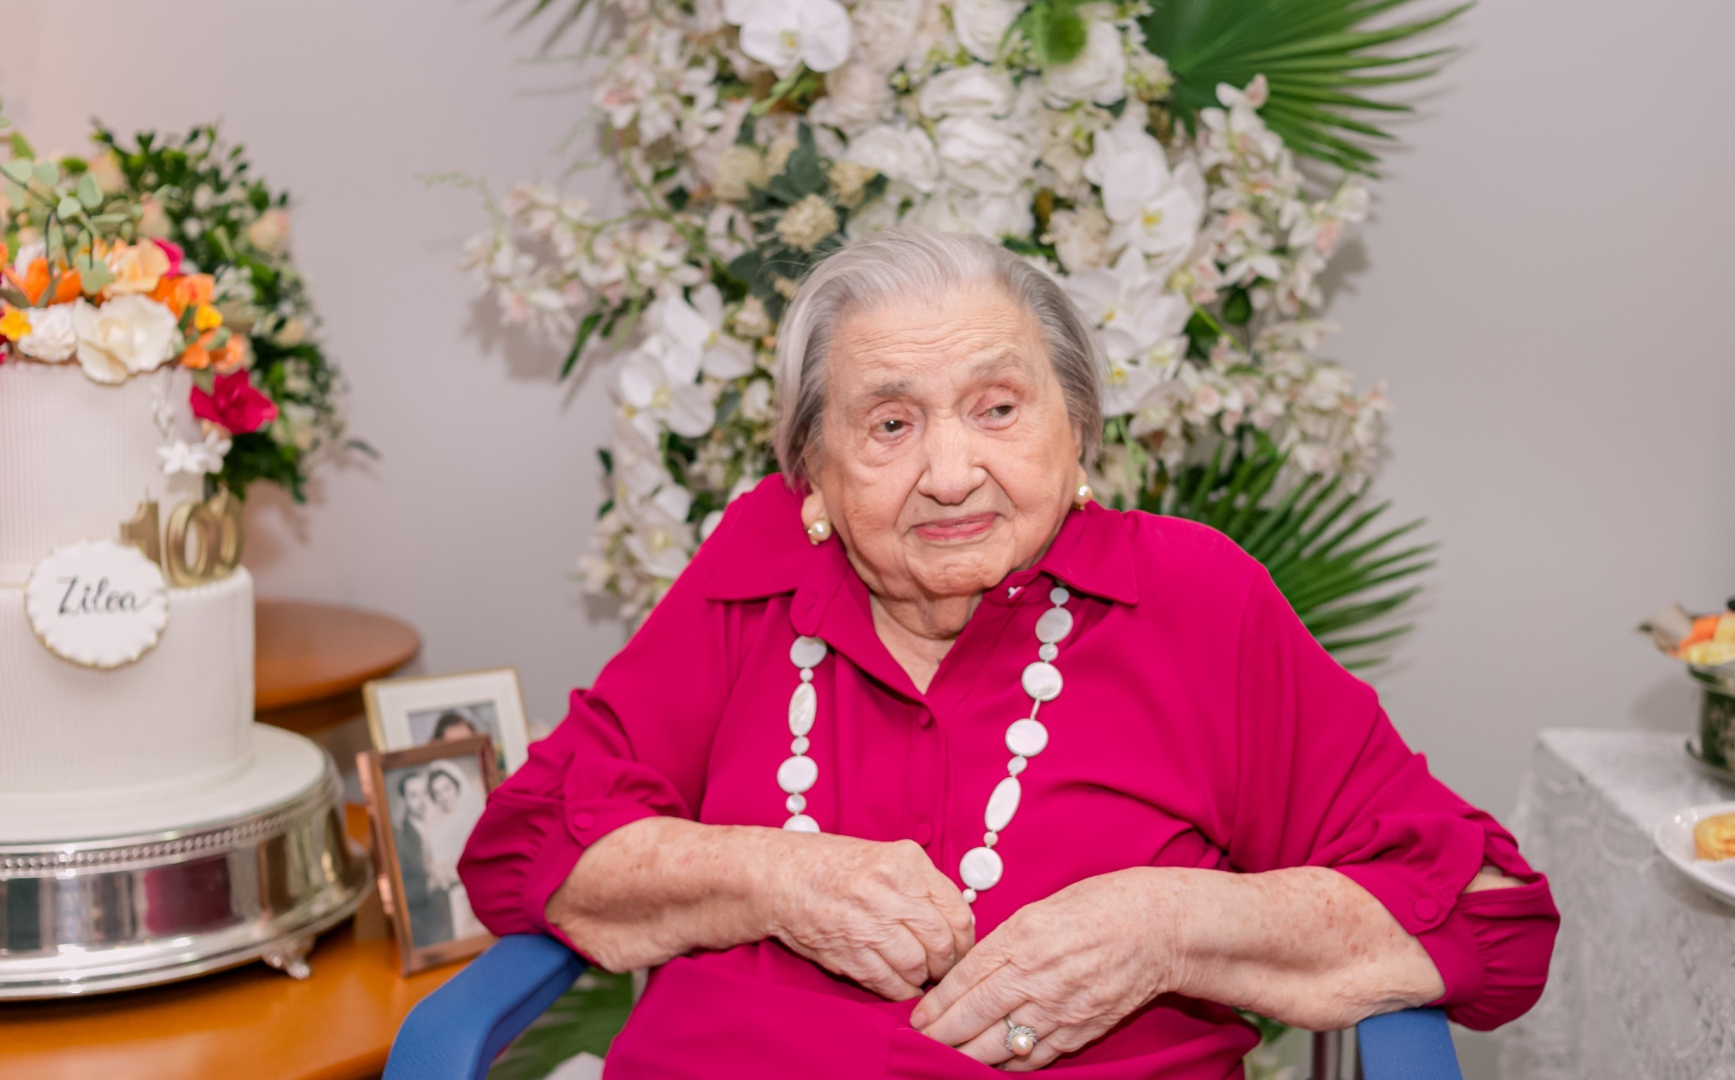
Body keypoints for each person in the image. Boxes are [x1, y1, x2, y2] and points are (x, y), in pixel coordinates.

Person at [460, 228, 1559, 1077]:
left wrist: (1168, 926)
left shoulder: (1193, 601)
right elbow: (527, 843)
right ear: (812, 472)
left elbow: (1484, 910)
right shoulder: (757, 572)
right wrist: (775, 879)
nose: (949, 475)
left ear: (1075, 429)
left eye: (996, 408)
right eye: (890, 425)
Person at [424, 763, 488, 942]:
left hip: (486, 888)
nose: (444, 796)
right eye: (437, 793)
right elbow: (441, 869)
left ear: (456, 786)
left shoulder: (477, 815)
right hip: (458, 895)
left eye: (447, 788)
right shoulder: (436, 830)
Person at [395, 769, 453, 948]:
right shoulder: (400, 838)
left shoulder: (444, 823)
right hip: (432, 928)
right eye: (414, 795)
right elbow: (402, 889)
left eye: (424, 793)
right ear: (404, 800)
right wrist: (430, 883)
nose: (422, 801)